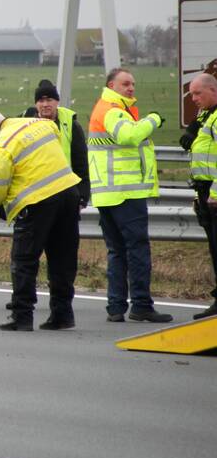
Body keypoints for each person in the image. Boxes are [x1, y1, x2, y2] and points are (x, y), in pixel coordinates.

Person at [0, 110, 82, 331]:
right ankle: (62, 314)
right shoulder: (40, 124)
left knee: (24, 260)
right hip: (69, 193)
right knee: (63, 257)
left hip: (38, 203)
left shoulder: (2, 144)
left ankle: (22, 316)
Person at [88, 68, 172, 323]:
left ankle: (115, 307)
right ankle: (141, 305)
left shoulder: (105, 109)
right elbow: (130, 135)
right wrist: (154, 119)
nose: (131, 88)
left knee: (117, 252)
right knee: (137, 250)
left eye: (133, 84)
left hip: (107, 193)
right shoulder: (112, 110)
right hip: (125, 193)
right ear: (111, 85)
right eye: (126, 84)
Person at [180, 73, 217, 319]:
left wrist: (215, 193)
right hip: (205, 191)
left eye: (197, 93)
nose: (193, 99)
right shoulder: (208, 117)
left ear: (213, 90)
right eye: (191, 94)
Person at [21, 79, 90, 208]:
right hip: (35, 194)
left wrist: (82, 196)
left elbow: (81, 163)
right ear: (36, 104)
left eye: (49, 100)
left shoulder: (71, 125)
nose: (45, 104)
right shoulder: (24, 122)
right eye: (41, 101)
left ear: (57, 102)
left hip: (65, 193)